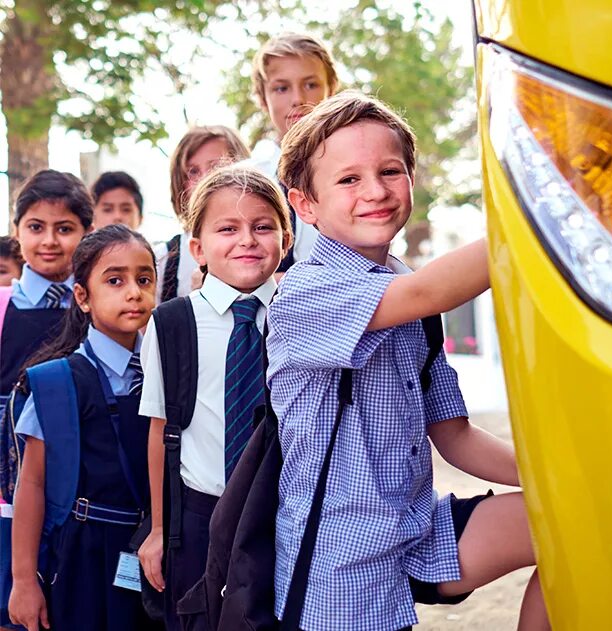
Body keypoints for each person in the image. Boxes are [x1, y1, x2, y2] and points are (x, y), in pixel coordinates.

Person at [268, 91, 551, 631]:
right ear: (305, 205)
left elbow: (456, 437)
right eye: (348, 180)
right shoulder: (306, 292)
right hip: (338, 558)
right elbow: (427, 293)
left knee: (571, 526)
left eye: (390, 171)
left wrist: (556, 481)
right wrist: (547, 215)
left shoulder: (406, 291)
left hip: (419, 529)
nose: (375, 191)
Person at [137, 165, 293, 630]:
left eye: (263, 227)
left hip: (284, 513)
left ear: (284, 242)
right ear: (198, 249)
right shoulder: (171, 323)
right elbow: (161, 428)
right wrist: (160, 529)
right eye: (228, 228)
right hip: (201, 516)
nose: (247, 239)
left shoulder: (297, 314)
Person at [8, 225, 160, 631]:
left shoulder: (169, 372)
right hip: (83, 553)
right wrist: (23, 580)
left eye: (144, 279)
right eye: (115, 280)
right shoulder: (56, 382)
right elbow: (33, 484)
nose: (133, 291)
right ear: (82, 297)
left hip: (157, 550)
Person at [0, 170, 93, 415]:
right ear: (17, 230)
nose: (49, 240)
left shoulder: (98, 306)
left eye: (64, 229)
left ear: (88, 233)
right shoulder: (2, 305)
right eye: (35, 227)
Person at [248, 32, 339, 272]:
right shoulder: (248, 178)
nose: (298, 99)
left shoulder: (355, 170)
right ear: (262, 98)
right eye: (281, 88)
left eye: (311, 85)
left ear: (331, 89)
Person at [155, 126, 251, 303]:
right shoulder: (163, 260)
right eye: (193, 171)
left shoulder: (264, 240)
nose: (206, 179)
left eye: (217, 167)